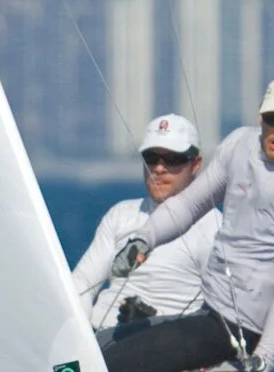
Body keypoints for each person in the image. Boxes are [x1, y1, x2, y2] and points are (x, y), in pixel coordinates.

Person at [73, 75, 274, 372]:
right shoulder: (240, 144)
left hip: (238, 332)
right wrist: (144, 240)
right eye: (273, 118)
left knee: (102, 366)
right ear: (261, 115)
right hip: (207, 314)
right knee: (94, 347)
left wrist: (265, 359)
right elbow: (189, 204)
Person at [67, 114, 222, 333]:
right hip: (97, 341)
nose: (159, 168)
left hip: (164, 350)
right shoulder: (121, 214)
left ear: (195, 163)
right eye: (151, 158)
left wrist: (150, 329)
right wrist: (79, 338)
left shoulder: (213, 226)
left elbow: (220, 311)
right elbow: (82, 282)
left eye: (172, 159)